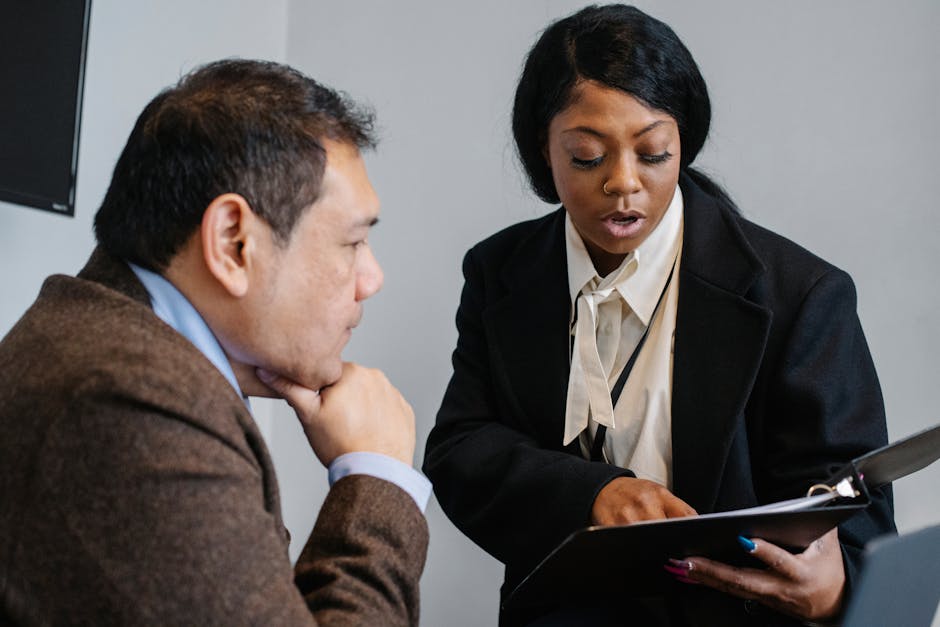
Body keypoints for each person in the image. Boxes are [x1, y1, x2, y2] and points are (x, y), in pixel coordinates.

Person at [423, 5, 895, 626]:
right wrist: (592, 494)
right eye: (588, 157)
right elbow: (461, 448)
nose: (623, 183)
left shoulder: (802, 293)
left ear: (683, 144)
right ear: (544, 150)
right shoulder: (499, 270)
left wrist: (836, 596)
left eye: (653, 153)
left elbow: (859, 524)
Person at [0, 59, 430, 625]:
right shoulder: (126, 403)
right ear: (232, 243)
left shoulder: (111, 343)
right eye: (352, 243)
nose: (372, 278)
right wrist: (378, 478)